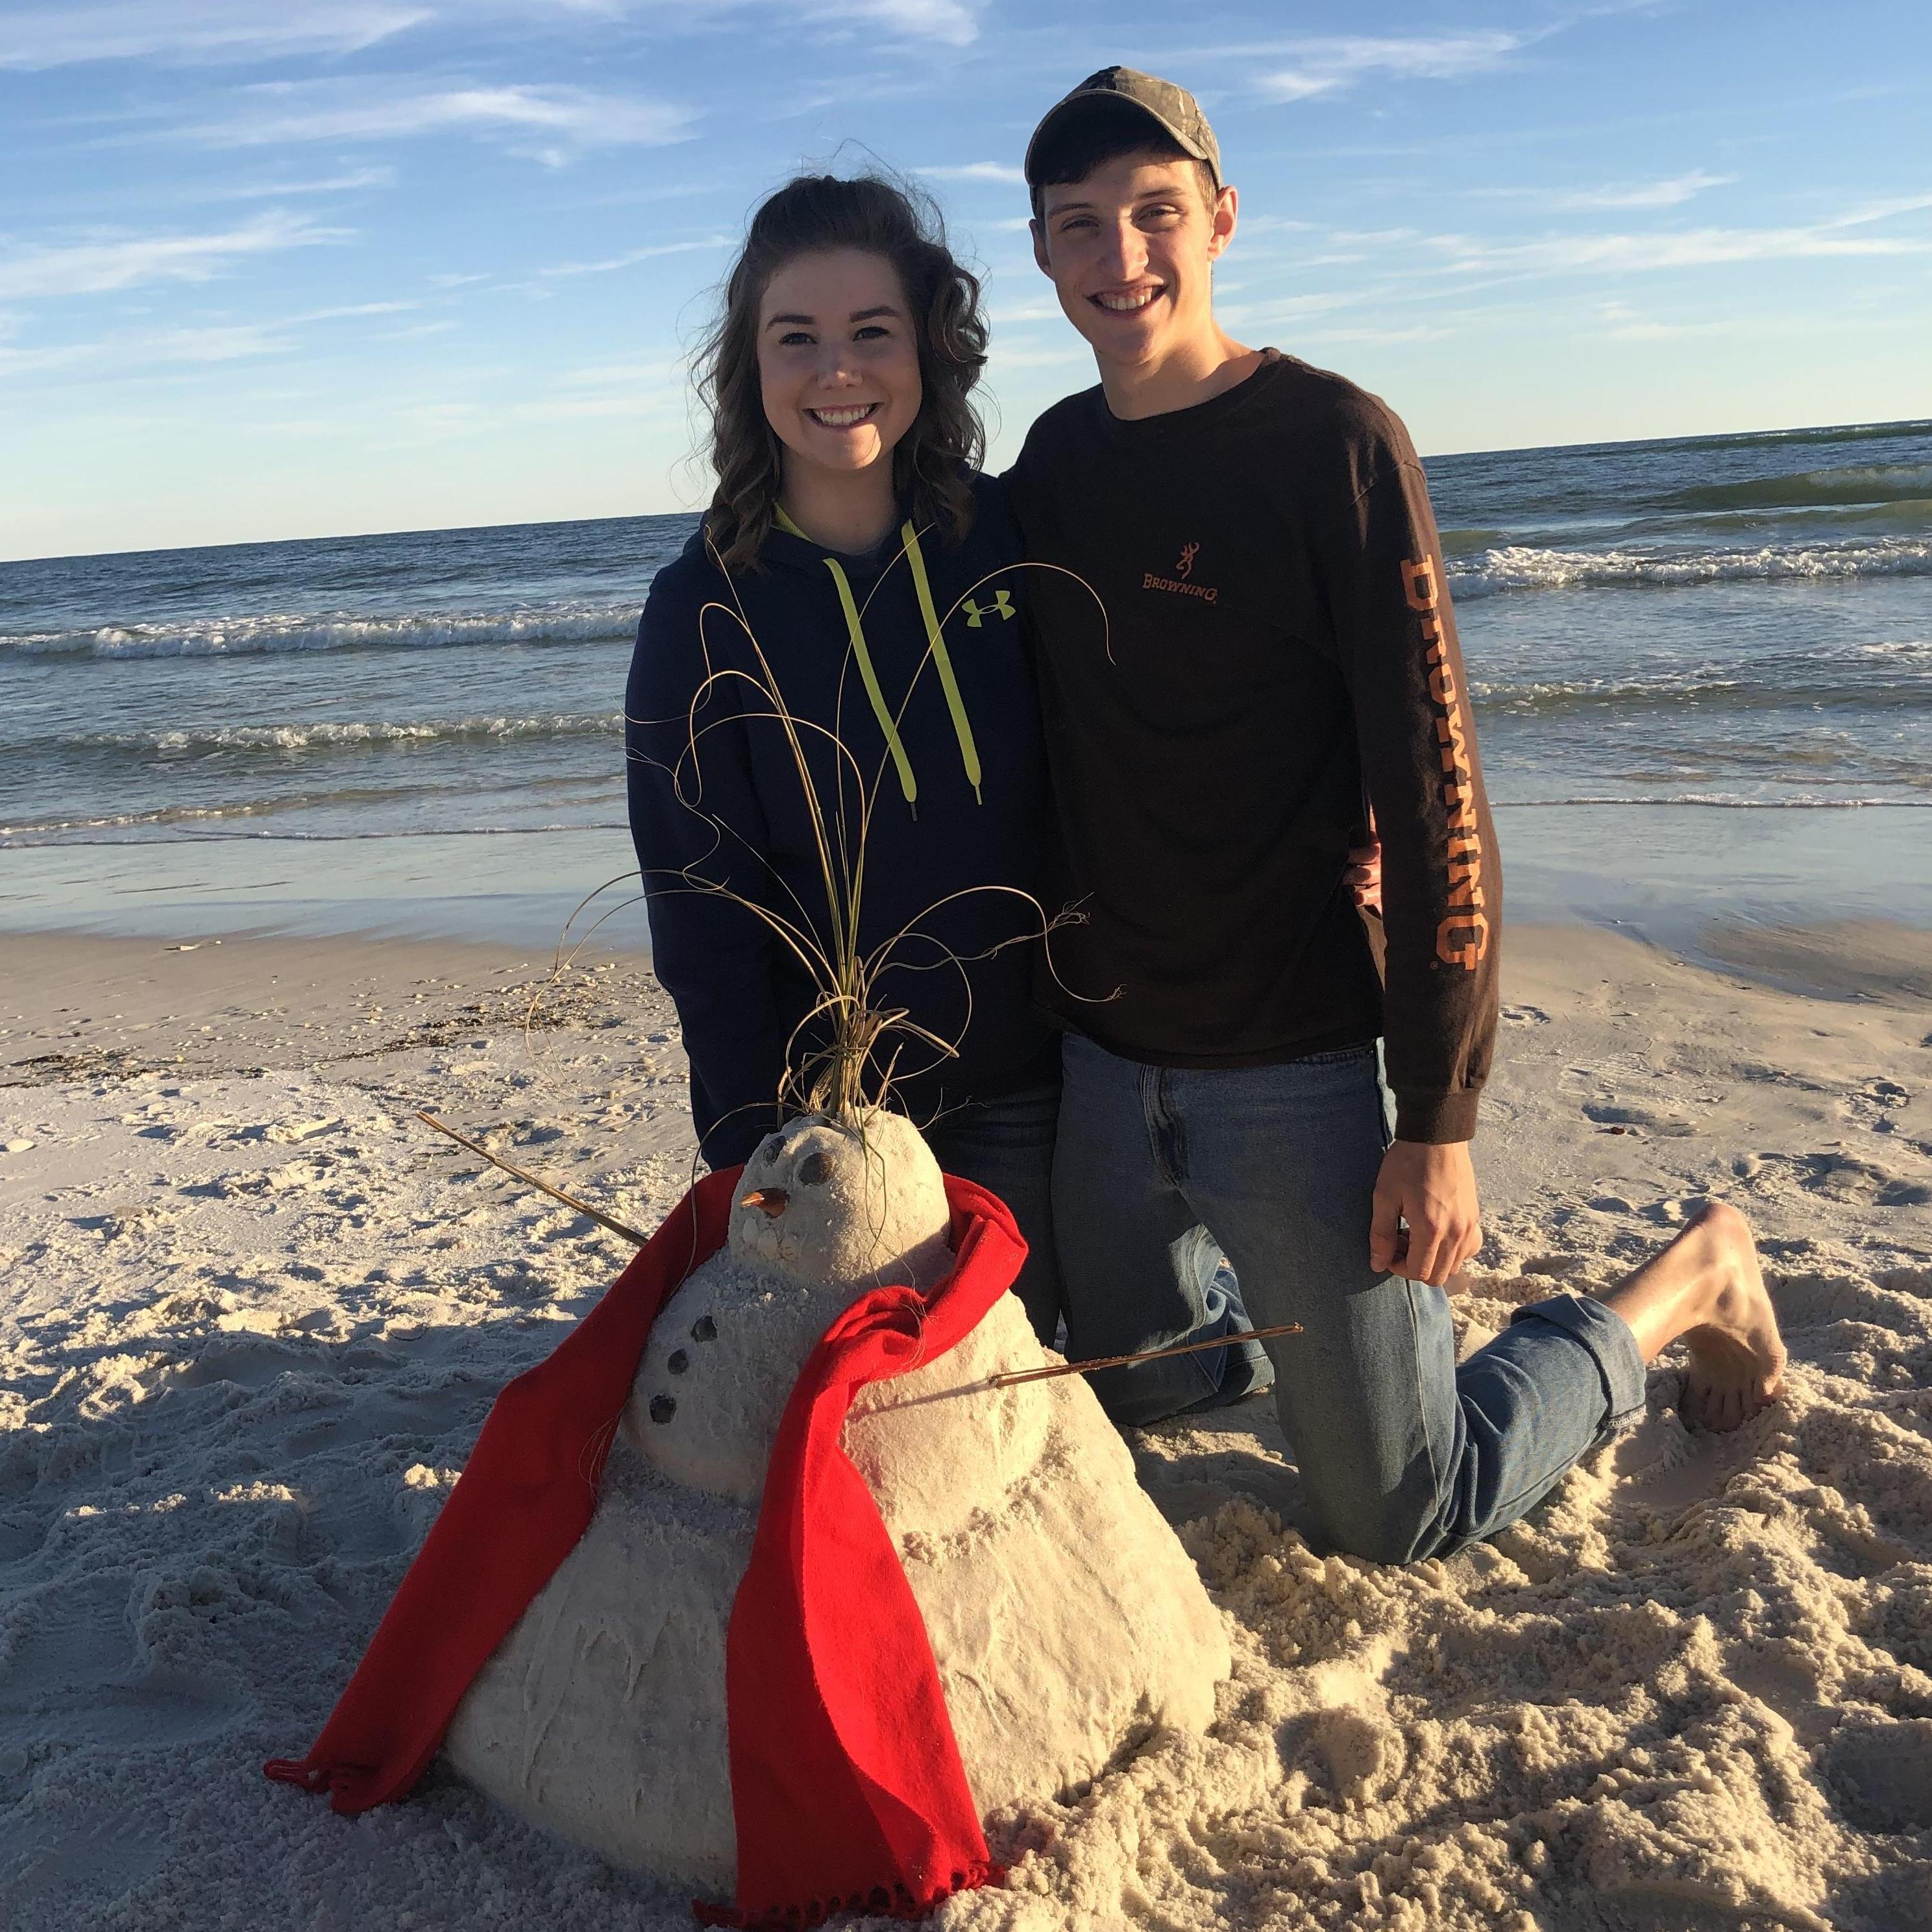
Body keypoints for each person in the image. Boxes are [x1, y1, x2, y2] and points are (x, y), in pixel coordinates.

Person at [1002, 67, 1787, 1561]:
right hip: (1103, 1067)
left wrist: (1436, 1118)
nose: (1121, 260)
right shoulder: (1049, 465)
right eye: (1080, 227)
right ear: (1041, 255)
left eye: (1156, 216)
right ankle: (1281, 1328)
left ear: (1220, 221)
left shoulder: (1334, 444)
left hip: (1290, 1066)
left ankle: (1691, 1280)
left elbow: (1437, 801)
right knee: (1149, 1401)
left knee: (1398, 1506)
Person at [624, 175, 1078, 1334]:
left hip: (1044, 1081)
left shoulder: (1011, 539)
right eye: (797, 338)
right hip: (834, 1119)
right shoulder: (701, 610)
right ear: (750, 367)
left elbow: (1154, 729)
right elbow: (698, 906)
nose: (837, 370)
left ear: (927, 347)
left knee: (1111, 1381)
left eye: (871, 332)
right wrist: (752, 1156)